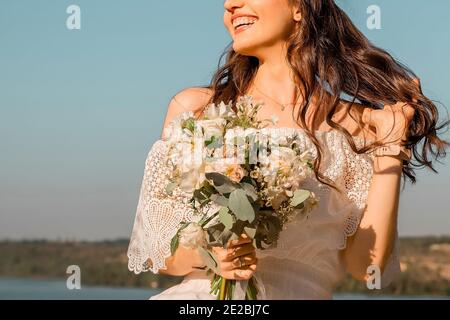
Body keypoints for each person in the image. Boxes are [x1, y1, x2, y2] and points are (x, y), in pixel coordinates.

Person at [127, 0, 449, 299]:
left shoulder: (361, 126)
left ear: (298, 6)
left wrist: (391, 148)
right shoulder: (197, 110)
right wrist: (210, 254)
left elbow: (366, 266)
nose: (229, 4)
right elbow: (157, 251)